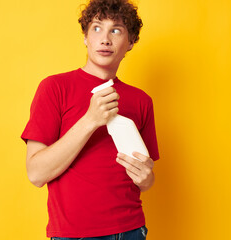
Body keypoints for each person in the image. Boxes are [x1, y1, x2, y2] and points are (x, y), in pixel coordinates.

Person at [21, 0, 159, 239]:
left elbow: (145, 178)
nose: (105, 39)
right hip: (74, 234)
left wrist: (147, 179)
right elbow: (36, 173)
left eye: (116, 30)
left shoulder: (141, 100)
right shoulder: (54, 88)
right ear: (85, 37)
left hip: (131, 230)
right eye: (96, 28)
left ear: (131, 42)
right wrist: (90, 120)